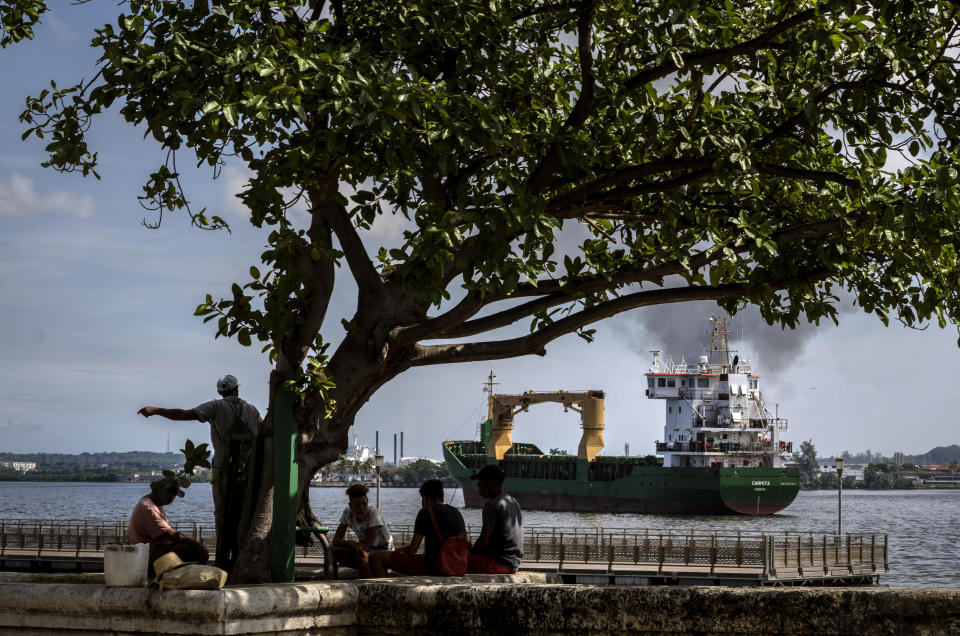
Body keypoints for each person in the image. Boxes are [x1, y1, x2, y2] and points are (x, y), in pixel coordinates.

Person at [137, 374, 262, 559]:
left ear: (220, 392)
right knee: (246, 513)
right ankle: (242, 558)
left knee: (223, 515)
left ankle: (223, 559)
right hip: (251, 474)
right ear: (237, 388)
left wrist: (155, 410)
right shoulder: (252, 410)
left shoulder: (216, 406)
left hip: (224, 471)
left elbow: (185, 414)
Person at [373, 478, 467, 577]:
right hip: (456, 565)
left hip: (433, 567)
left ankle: (383, 589)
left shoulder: (426, 512)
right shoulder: (456, 512)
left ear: (426, 498)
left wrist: (396, 551)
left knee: (378, 557)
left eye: (422, 499)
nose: (422, 503)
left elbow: (412, 550)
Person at [127, 477, 209, 576]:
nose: (172, 500)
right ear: (165, 494)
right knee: (187, 548)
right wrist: (198, 546)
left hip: (148, 554)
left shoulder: (153, 504)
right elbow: (169, 534)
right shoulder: (149, 508)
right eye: (172, 496)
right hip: (148, 559)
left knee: (188, 546)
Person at [467, 464, 523, 574]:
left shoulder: (491, 505)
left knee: (458, 561)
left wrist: (470, 554)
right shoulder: (512, 501)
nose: (478, 485)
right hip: (514, 564)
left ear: (491, 483)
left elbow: (484, 542)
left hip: (498, 563)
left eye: (481, 482)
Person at [332, 483, 394, 578]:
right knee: (335, 551)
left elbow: (367, 546)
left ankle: (367, 584)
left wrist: (349, 545)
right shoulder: (347, 513)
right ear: (350, 505)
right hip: (363, 547)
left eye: (364, 504)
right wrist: (350, 543)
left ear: (367, 501)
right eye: (357, 505)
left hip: (383, 549)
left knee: (361, 555)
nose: (361, 508)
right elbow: (336, 540)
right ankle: (333, 579)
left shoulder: (374, 513)